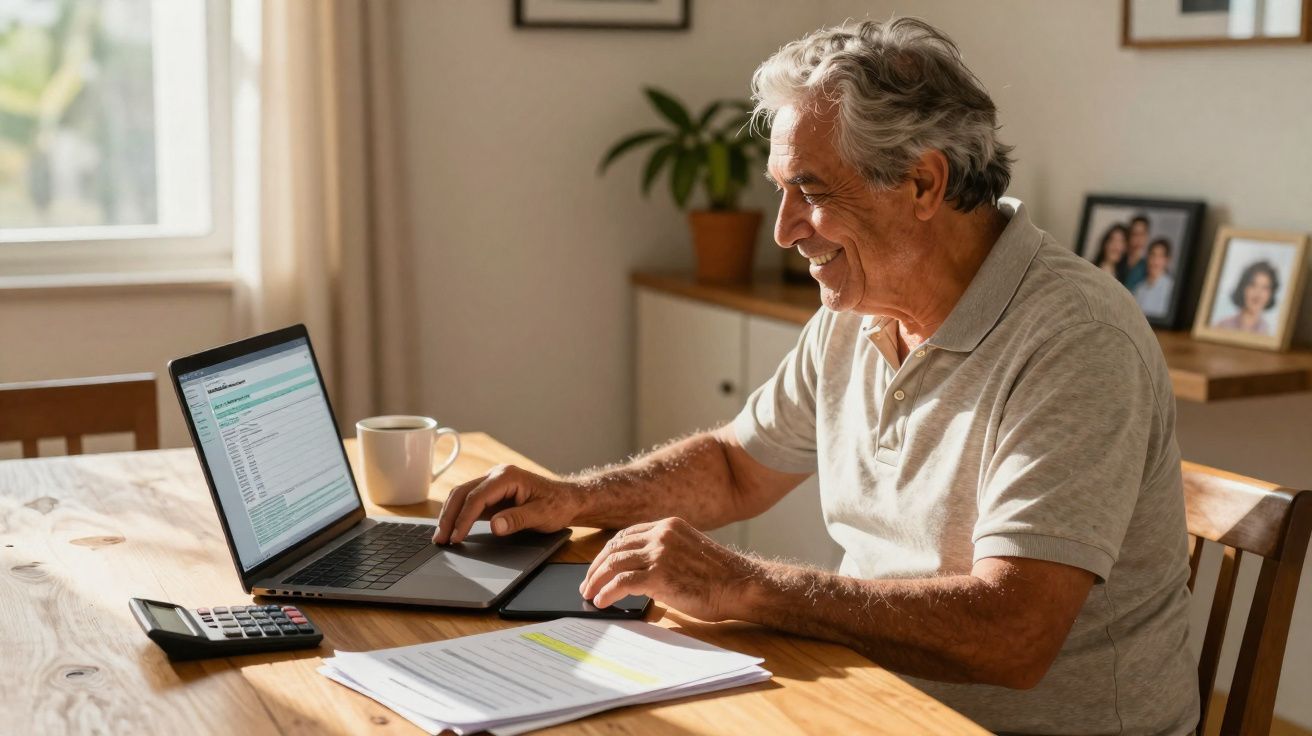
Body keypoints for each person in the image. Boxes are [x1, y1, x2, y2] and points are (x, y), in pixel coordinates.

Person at [435, 18, 1197, 735]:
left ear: (925, 184)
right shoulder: (858, 309)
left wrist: (744, 585)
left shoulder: (1076, 340)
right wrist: (575, 496)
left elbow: (1013, 634)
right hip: (875, 699)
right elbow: (737, 467)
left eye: (814, 191)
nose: (785, 229)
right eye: (781, 189)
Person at [1214, 259, 1280, 335]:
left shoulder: (1269, 333)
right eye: (1252, 285)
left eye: (1265, 288)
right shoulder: (1222, 326)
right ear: (1243, 288)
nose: (1258, 293)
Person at [1134, 238, 1175, 318]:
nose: (1155, 261)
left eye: (1160, 256)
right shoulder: (1139, 289)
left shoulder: (1171, 288)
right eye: (1152, 255)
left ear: (1167, 260)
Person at [1122, 214, 1152, 291]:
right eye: (1135, 234)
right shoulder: (1120, 260)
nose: (1138, 239)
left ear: (1147, 236)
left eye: (1142, 234)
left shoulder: (1149, 266)